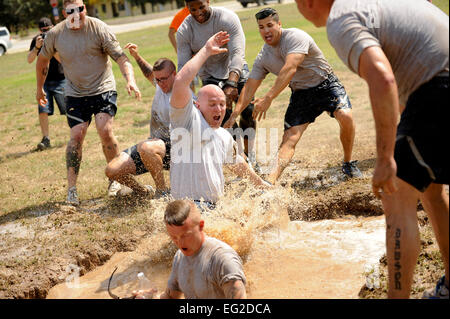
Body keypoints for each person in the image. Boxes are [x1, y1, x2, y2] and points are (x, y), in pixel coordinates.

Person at [295, 0, 449, 299]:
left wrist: (385, 157)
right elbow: (402, 87)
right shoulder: (370, 4)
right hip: (436, 84)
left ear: (307, 2)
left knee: (396, 195)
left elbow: (383, 77)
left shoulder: (341, 19)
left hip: (438, 86)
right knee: (431, 190)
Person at [225, 8, 361, 185]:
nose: (266, 31)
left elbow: (290, 68)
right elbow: (250, 86)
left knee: (346, 116)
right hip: (301, 94)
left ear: (279, 24)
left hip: (326, 84)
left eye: (269, 25)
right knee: (290, 138)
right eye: (261, 27)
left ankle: (348, 163)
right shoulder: (263, 57)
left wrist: (268, 98)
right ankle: (270, 183)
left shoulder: (295, 37)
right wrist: (235, 113)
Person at [36, 0, 141, 206]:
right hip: (75, 92)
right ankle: (72, 190)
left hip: (103, 88)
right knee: (76, 136)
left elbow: (120, 57)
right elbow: (42, 60)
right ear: (64, 13)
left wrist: (130, 80)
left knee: (105, 130)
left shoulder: (99, 28)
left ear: (85, 8)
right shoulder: (56, 34)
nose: (77, 14)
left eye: (80, 9)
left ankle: (114, 179)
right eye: (71, 11)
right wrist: (39, 88)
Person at [170, 31, 270, 209]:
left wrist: (261, 184)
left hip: (214, 209)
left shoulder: (223, 135)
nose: (219, 109)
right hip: (187, 209)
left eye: (222, 104)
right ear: (197, 105)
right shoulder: (187, 120)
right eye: (212, 104)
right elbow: (180, 82)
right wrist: (206, 51)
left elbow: (238, 163)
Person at [177, 0, 258, 170]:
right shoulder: (185, 30)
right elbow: (184, 67)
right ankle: (244, 160)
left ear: (208, 1)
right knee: (224, 118)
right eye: (193, 9)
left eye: (202, 7)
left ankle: (250, 153)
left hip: (235, 68)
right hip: (210, 76)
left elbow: (238, 52)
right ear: (187, 8)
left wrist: (232, 83)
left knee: (249, 112)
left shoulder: (227, 17)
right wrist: (188, 96)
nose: (198, 12)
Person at [105, 49, 183, 198]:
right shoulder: (161, 86)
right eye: (157, 80)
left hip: (178, 151)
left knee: (146, 146)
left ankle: (162, 192)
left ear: (175, 74)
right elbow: (149, 73)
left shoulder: (182, 92)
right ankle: (143, 192)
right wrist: (136, 56)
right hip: (153, 149)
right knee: (112, 170)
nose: (159, 83)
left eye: (163, 79)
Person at [133, 199, 247, 299]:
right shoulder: (179, 257)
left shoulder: (222, 260)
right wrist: (150, 297)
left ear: (201, 226)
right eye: (174, 237)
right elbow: (171, 297)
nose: (180, 243)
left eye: (185, 235)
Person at [27, 17, 67, 151]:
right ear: (39, 31)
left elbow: (63, 60)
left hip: (61, 79)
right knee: (43, 110)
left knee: (68, 109)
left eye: (48, 30)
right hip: (43, 82)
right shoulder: (37, 40)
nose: (46, 33)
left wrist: (52, 47)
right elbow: (29, 60)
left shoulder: (59, 37)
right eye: (43, 31)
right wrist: (37, 48)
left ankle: (76, 134)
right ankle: (46, 138)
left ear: (53, 27)